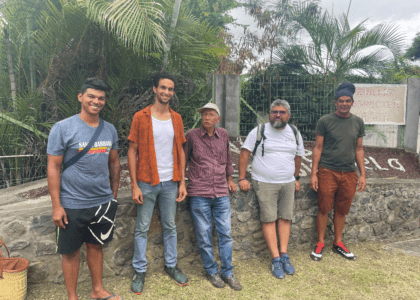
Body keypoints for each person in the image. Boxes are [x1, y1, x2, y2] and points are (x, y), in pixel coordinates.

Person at [47, 78, 121, 300]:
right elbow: (53, 166)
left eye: (101, 98)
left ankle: (97, 290)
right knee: (70, 253)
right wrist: (57, 206)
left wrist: (113, 197)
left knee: (96, 247)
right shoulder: (62, 128)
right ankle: (72, 296)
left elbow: (115, 163)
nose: (96, 101)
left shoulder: (109, 130)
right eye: (91, 96)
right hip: (71, 205)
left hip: (102, 203)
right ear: (80, 97)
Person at [127, 72, 188, 295]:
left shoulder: (177, 118)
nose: (166, 92)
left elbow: (180, 150)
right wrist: (134, 185)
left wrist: (182, 181)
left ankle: (171, 266)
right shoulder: (140, 117)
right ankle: (139, 271)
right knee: (142, 228)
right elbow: (132, 151)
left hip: (171, 183)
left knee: (170, 227)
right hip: (146, 182)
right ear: (155, 89)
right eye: (163, 88)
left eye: (170, 89)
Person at [238, 99, 304, 279]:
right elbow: (244, 154)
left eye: (282, 112)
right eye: (275, 112)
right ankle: (275, 259)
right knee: (268, 219)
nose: (278, 115)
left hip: (288, 183)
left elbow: (298, 156)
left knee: (285, 218)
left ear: (288, 116)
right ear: (269, 114)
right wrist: (242, 178)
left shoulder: (295, 133)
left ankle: (284, 255)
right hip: (264, 182)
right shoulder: (259, 131)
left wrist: (296, 178)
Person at [184, 103, 242, 291]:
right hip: (199, 192)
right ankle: (211, 270)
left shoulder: (223, 134)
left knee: (225, 233)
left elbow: (227, 158)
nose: (206, 117)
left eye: (210, 115)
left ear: (218, 119)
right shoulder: (192, 135)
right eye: (203, 115)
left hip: (221, 192)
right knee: (204, 235)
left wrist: (229, 179)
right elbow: (182, 160)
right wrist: (181, 184)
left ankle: (227, 272)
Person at [310, 81, 366, 261]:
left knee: (342, 209)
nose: (344, 104)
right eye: (340, 101)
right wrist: (313, 173)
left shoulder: (358, 122)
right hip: (327, 171)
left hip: (349, 173)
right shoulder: (325, 121)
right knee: (324, 208)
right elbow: (318, 147)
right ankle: (320, 243)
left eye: (347, 101)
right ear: (335, 103)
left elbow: (359, 149)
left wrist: (362, 174)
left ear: (352, 103)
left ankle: (338, 242)